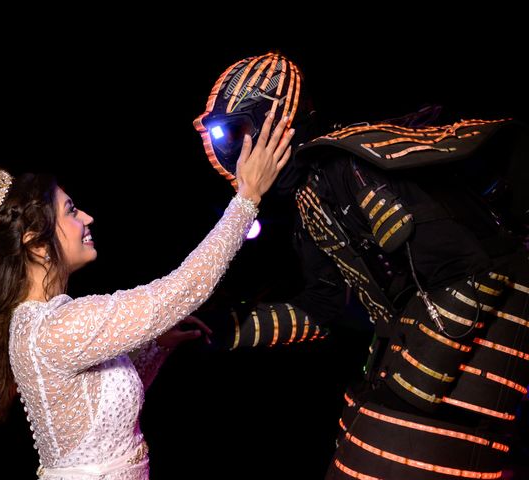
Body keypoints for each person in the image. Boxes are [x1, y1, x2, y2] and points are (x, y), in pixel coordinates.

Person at [193, 52, 528, 478]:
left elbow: (474, 267)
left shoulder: (351, 161)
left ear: (274, 117)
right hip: (423, 378)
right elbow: (326, 308)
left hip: (466, 375)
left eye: (239, 131)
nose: (232, 151)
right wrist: (222, 328)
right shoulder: (311, 193)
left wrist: (410, 389)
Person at [0, 112, 294, 479]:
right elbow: (180, 291)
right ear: (37, 245)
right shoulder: (56, 327)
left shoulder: (45, 323)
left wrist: (154, 346)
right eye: (71, 211)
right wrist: (247, 198)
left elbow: (103, 418)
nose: (87, 218)